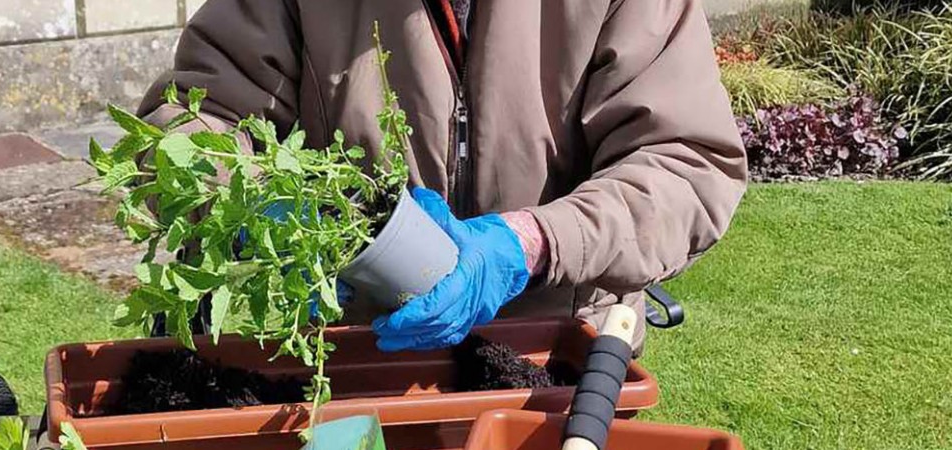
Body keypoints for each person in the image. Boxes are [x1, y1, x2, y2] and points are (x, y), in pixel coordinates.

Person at [136, 0, 747, 353]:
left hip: (560, 359)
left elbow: (685, 161)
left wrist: (531, 243)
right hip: (363, 353)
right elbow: (191, 123)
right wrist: (250, 206)